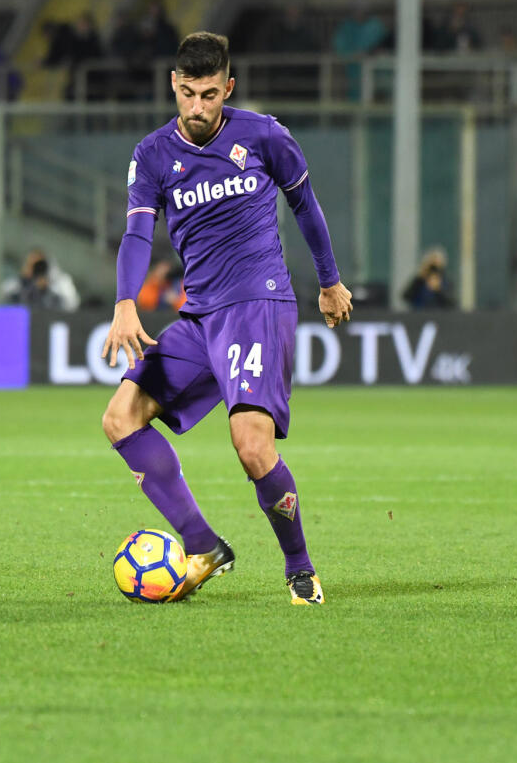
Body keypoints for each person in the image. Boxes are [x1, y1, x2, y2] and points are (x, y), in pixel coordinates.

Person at [100, 32, 353, 606]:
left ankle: (300, 568)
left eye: (208, 94)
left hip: (258, 304)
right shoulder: (154, 153)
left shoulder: (264, 136)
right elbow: (139, 231)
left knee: (251, 445)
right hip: (201, 315)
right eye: (186, 93)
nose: (195, 107)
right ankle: (203, 546)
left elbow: (306, 208)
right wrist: (124, 301)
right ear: (173, 85)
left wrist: (330, 280)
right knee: (121, 417)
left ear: (228, 88)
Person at [1, 248, 80, 312]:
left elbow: (72, 304)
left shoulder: (60, 281)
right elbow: (2, 293)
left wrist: (51, 284)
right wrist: (24, 280)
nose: (37, 269)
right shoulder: (19, 283)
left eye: (39, 265)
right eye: (33, 265)